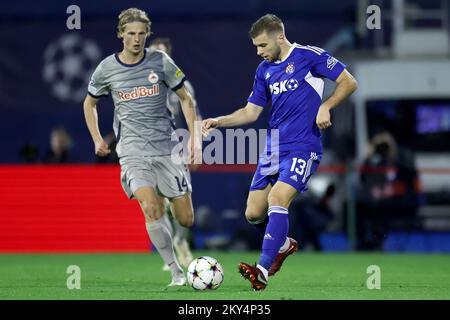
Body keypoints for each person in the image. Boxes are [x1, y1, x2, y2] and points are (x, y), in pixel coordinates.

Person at [202, 14, 357, 290]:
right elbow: (251, 112)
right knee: (253, 213)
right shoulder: (264, 70)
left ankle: (262, 270)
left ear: (279, 37)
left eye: (262, 45)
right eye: (256, 47)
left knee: (278, 197)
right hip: (273, 148)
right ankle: (282, 244)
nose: (259, 52)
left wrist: (327, 105)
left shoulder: (310, 57)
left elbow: (349, 82)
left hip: (303, 145)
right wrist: (219, 121)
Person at [83, 8, 200, 287]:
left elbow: (187, 100)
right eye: (131, 33)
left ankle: (171, 200)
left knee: (186, 219)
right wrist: (98, 138)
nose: (136, 39)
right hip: (132, 151)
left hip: (166, 150)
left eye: (141, 34)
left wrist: (194, 138)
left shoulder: (161, 61)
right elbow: (89, 103)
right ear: (121, 34)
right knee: (149, 207)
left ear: (147, 35)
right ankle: (175, 271)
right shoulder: (107, 69)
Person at [149, 37, 202, 270]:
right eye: (155, 52)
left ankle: (181, 240)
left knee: (180, 200)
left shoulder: (181, 84)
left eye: (163, 53)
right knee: (158, 202)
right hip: (150, 150)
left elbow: (195, 115)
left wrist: (196, 145)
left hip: (177, 149)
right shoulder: (142, 84)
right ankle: (171, 249)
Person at [355, 131, 421, 250]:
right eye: (379, 146)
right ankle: (363, 241)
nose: (382, 150)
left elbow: (409, 184)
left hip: (397, 203)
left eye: (385, 146)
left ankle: (378, 240)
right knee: (357, 207)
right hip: (372, 201)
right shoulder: (370, 162)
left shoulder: (400, 162)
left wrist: (393, 190)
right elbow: (363, 181)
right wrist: (372, 190)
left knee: (381, 208)